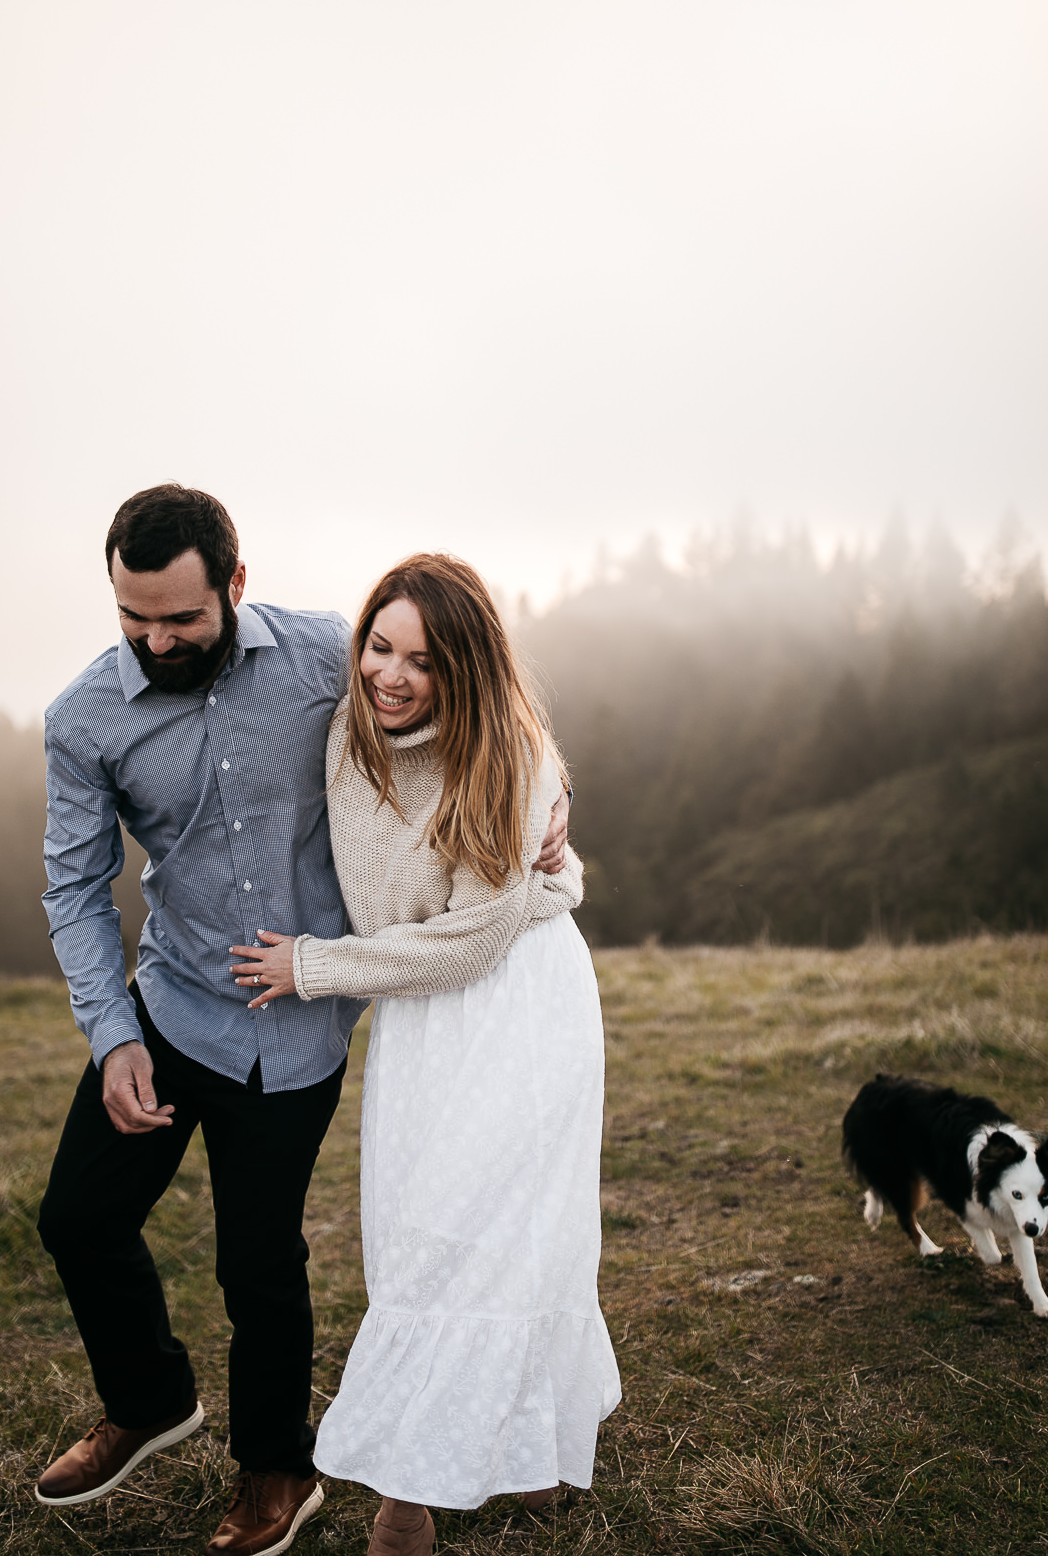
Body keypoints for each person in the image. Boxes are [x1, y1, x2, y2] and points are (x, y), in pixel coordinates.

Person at [32, 486, 572, 1556]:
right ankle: (147, 1403)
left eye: (181, 617)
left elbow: (471, 705)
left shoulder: (333, 655)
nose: (157, 639)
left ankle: (278, 1470)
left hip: (298, 1026)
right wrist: (115, 1035)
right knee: (76, 1218)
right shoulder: (81, 719)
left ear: (234, 584)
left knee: (258, 1261)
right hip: (173, 1004)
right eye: (135, 617)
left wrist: (549, 806)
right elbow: (76, 889)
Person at [228, 554, 620, 1556]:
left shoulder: (512, 754)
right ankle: (501, 1446)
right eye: (380, 646)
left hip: (520, 1008)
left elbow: (478, 938)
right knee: (424, 1234)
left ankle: (432, 1487)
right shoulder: (345, 735)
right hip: (421, 1016)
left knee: (518, 1231)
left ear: (466, 668)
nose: (391, 675)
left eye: (422, 660)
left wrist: (314, 966)